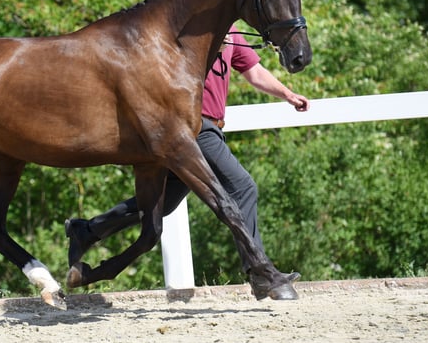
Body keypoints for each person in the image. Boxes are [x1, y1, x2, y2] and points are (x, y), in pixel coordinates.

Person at [64, 24, 310, 300]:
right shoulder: (190, 30)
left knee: (162, 204)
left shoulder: (234, 33)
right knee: (242, 187)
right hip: (193, 128)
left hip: (211, 127)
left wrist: (287, 94)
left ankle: (87, 230)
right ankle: (260, 272)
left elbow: (253, 73)